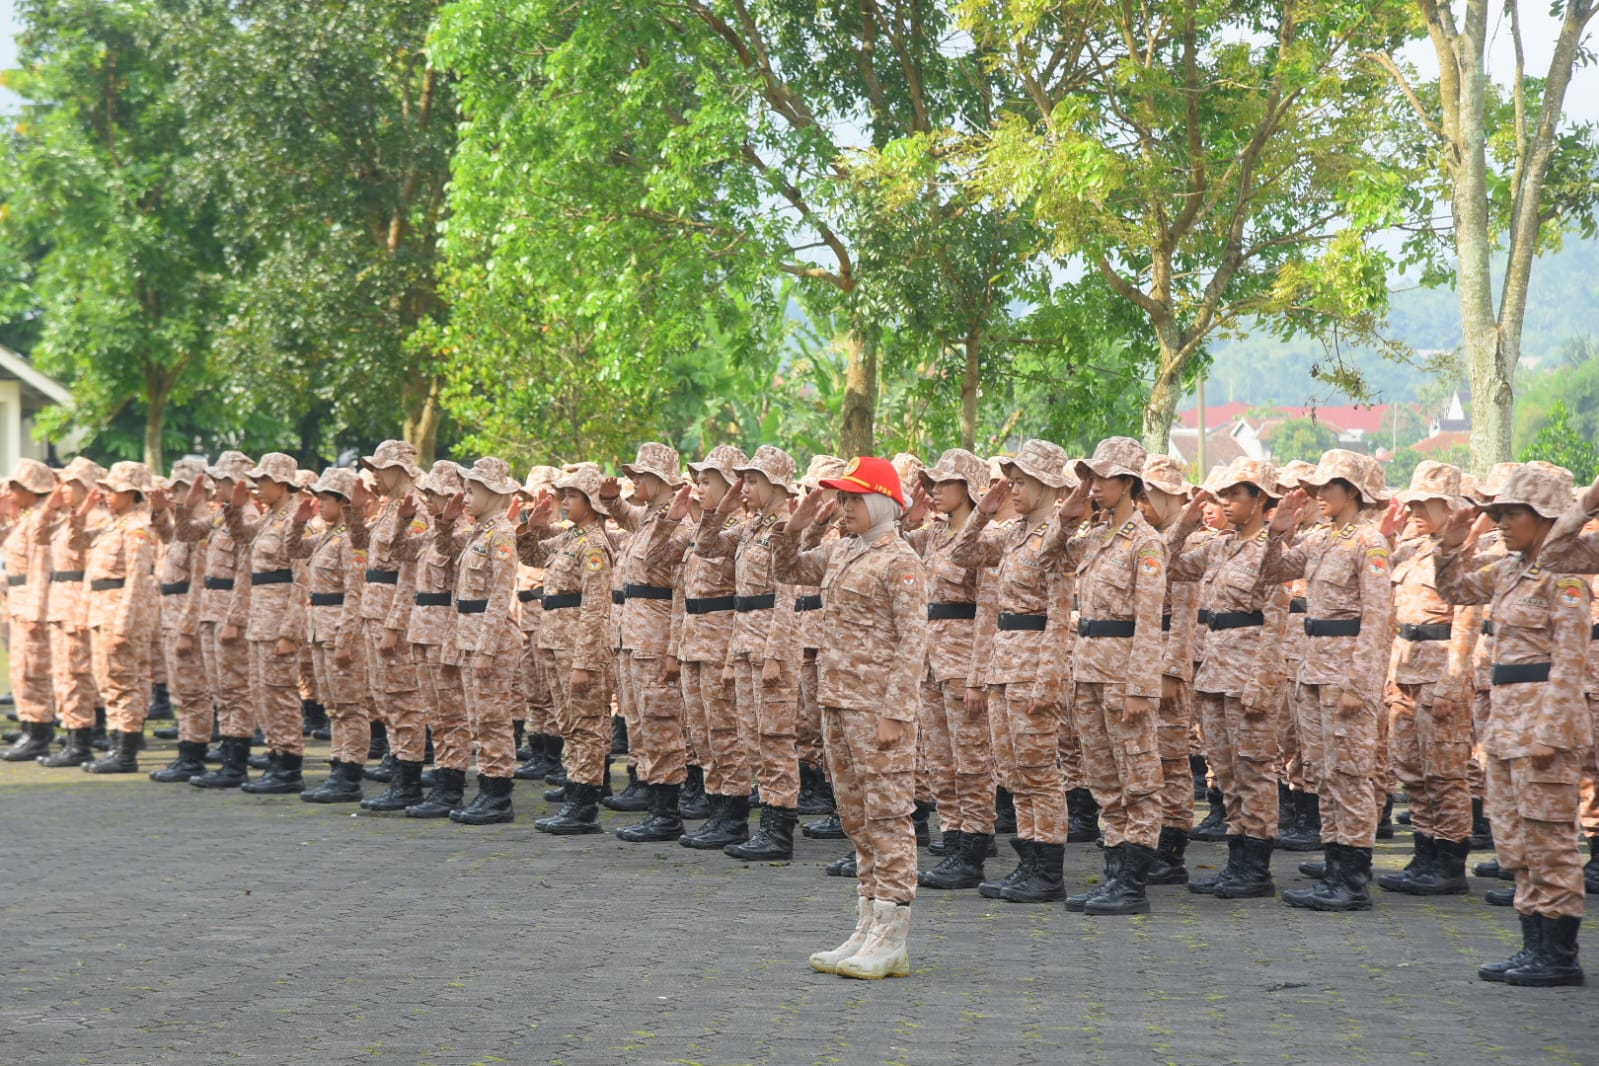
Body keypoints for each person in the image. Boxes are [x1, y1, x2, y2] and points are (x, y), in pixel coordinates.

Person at [772, 456, 928, 980]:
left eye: (855, 498)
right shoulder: (841, 550)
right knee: (856, 817)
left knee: (888, 817)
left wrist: (896, 712)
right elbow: (787, 569)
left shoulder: (898, 559)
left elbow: (913, 642)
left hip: (877, 708)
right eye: (842, 498)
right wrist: (795, 528)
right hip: (838, 703)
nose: (845, 507)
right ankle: (866, 925)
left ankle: (892, 937)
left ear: (882, 502)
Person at [1436, 462, 1586, 987]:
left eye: (1511, 513)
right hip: (1504, 725)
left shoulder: (1564, 581)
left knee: (1550, 840)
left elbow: (1571, 663)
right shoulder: (1507, 570)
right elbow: (1455, 588)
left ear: (1545, 517)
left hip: (1542, 727)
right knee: (1515, 842)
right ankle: (1532, 946)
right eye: (1496, 513)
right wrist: (1450, 545)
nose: (1500, 522)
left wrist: (1552, 731)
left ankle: (1560, 955)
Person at [1261, 451, 1394, 912]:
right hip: (1314, 671)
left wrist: (1361, 683)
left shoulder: (1369, 543)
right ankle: (1334, 869)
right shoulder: (1320, 539)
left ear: (1352, 492)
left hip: (1345, 675)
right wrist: (1277, 531)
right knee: (1324, 775)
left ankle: (1352, 880)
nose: (1318, 494)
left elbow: (1378, 619)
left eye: (1328, 486)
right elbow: (1273, 571)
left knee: (1351, 776)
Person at [948, 439, 1077, 903]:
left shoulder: (1056, 538)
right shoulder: (1013, 532)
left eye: (1021, 482)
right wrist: (983, 511)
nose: (1014, 489)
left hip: (1033, 668)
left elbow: (1061, 616)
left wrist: (1050, 680)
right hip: (1005, 666)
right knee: (1014, 773)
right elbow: (961, 553)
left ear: (1047, 486)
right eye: (1012, 481)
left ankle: (1049, 871)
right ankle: (1029, 863)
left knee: (1040, 771)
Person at [1046, 437, 1170, 916]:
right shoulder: (1094, 537)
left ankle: (1133, 883)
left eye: (1103, 478)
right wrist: (1068, 515)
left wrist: (1141, 687)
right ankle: (1115, 874)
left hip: (1123, 676)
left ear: (1128, 484)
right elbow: (1048, 558)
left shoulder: (1146, 542)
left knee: (1137, 776)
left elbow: (1149, 621)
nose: (1094, 486)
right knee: (1103, 779)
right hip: (1091, 671)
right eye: (1090, 477)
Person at [1167, 458, 1289, 900]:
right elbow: (1165, 564)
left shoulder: (1273, 552)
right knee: (1226, 771)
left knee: (1254, 771)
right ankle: (1236, 860)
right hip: (1215, 673)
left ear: (1260, 500)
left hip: (1248, 676)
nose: (1227, 503)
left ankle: (1255, 867)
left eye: (1236, 495)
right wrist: (1184, 520)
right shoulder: (1219, 546)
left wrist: (1263, 681)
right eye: (1224, 495)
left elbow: (1277, 622)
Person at [695, 445, 804, 861]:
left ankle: (778, 831)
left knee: (775, 738)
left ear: (775, 485)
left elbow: (786, 597)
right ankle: (764, 824)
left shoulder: (783, 529)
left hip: (770, 648)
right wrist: (721, 507)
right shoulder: (752, 527)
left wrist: (775, 653)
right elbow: (706, 545)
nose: (746, 487)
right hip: (744, 643)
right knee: (753, 737)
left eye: (753, 480)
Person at [1377, 462, 1476, 896]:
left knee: (1445, 774)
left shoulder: (1466, 554)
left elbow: (1466, 624)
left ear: (1449, 507)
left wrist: (1453, 683)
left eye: (1424, 503)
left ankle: (1449, 861)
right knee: (1412, 771)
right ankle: (1424, 852)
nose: (1415, 509)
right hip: (1405, 672)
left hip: (1439, 676)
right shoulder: (1413, 550)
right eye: (1412, 502)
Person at [903, 448, 995, 890]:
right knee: (940, 761)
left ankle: (974, 847)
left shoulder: (987, 539)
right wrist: (909, 516)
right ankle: (953, 842)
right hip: (930, 660)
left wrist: (979, 675)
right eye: (932, 483)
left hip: (962, 662)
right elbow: (894, 547)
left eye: (944, 484)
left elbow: (990, 612)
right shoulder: (934, 534)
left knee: (971, 761)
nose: (934, 491)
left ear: (969, 489)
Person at [602, 443, 695, 842]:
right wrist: (611, 502)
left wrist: (674, 648)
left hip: (656, 640)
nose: (633, 481)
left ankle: (666, 811)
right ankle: (650, 797)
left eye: (640, 475)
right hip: (632, 637)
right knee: (639, 723)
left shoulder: (681, 524)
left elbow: (678, 591)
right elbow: (627, 514)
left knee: (662, 725)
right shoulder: (648, 519)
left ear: (660, 481)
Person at [518, 462, 617, 834]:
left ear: (591, 501)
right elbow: (529, 554)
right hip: (557, 643)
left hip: (578, 647)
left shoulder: (593, 545)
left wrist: (585, 662)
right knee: (570, 726)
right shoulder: (570, 538)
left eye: (572, 496)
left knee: (586, 726)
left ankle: (584, 805)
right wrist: (533, 522)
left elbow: (595, 608)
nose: (565, 501)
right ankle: (575, 795)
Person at [670, 445, 753, 850]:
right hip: (693, 641)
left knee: (726, 733)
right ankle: (716, 809)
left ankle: (734, 815)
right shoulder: (701, 529)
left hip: (722, 641)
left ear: (731, 485)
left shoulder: (741, 530)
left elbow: (747, 599)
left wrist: (736, 655)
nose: (700, 488)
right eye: (698, 481)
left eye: (708, 481)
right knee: (701, 733)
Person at [434, 458, 524, 825]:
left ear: (491, 492)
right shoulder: (478, 532)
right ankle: (487, 789)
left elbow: (500, 596)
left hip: (491, 640)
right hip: (469, 635)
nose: (466, 497)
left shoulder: (501, 534)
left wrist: (486, 648)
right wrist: (446, 519)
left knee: (492, 719)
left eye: (471, 490)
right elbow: (445, 552)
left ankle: (497, 796)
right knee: (478, 718)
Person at [223, 453, 310, 794]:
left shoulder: (297, 519)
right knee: (262, 693)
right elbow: (243, 539)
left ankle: (289, 765)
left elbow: (303, 582)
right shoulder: (270, 517)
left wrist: (290, 631)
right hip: (260, 620)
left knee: (281, 694)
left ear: (281, 483)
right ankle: (275, 756)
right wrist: (234, 508)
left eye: (263, 481)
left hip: (279, 623)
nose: (258, 487)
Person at [289, 467, 373, 803]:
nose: (319, 503)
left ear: (343, 502)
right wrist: (297, 520)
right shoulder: (327, 535)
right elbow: (293, 549)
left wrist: (346, 638)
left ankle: (350, 774)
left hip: (339, 629)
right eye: (318, 497)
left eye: (326, 498)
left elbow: (356, 592)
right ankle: (338, 766)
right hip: (320, 629)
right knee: (334, 706)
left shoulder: (351, 537)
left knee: (350, 705)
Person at [394, 461, 473, 817]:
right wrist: (401, 520)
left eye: (434, 494)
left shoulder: (464, 534)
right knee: (434, 713)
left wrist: (455, 641)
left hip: (445, 631)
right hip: (423, 628)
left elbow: (460, 592)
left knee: (451, 714)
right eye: (426, 493)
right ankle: (441, 782)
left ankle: (451, 788)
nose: (428, 499)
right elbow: (398, 552)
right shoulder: (430, 534)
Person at [354, 441, 430, 809]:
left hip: (392, 615)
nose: (374, 475)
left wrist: (394, 625)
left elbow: (411, 573)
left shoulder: (416, 511)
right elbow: (362, 547)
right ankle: (398, 772)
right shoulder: (390, 510)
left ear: (399, 469)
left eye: (380, 469)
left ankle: (408, 781)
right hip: (375, 611)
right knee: (385, 697)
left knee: (403, 700)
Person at [176, 452, 258, 789]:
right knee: (221, 690)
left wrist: (235, 620)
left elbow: (246, 574)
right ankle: (228, 758)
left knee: (235, 689)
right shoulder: (223, 517)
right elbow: (185, 534)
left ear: (235, 483)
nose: (214, 486)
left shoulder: (248, 517)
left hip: (227, 613)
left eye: (220, 480)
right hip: (211, 608)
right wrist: (186, 506)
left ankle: (236, 764)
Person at [76, 462, 158, 774]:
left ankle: (125, 753)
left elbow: (137, 581)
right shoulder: (114, 525)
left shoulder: (137, 528)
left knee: (124, 683)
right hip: (102, 612)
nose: (107, 495)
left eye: (114, 489)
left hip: (119, 617)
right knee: (108, 682)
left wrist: (123, 625)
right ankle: (116, 747)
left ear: (132, 492)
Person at [146, 461, 213, 782]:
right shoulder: (188, 525)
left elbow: (200, 582)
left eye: (180, 488)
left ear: (198, 488)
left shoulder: (204, 526)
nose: (174, 494)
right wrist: (160, 514)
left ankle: (193, 756)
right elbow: (171, 539)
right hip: (172, 614)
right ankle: (186, 752)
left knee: (194, 691)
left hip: (187, 615)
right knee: (181, 691)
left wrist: (187, 628)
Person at [38, 457, 106, 767]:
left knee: (78, 676)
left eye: (70, 485)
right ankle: (72, 736)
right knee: (64, 675)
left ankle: (81, 744)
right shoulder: (67, 517)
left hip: (78, 601)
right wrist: (50, 506)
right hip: (60, 602)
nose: (63, 490)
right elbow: (37, 537)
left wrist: (84, 611)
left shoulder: (98, 519)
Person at [0, 459, 59, 762]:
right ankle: (29, 728)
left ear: (30, 490)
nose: (9, 492)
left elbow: (40, 568)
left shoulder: (39, 521)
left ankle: (39, 734)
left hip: (31, 603)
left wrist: (36, 612)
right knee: (21, 670)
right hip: (18, 601)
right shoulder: (26, 518)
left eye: (15, 487)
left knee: (34, 671)